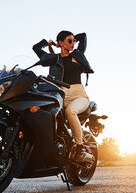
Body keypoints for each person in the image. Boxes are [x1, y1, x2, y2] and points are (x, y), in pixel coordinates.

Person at [33, 31, 94, 163]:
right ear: (61, 43)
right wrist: (48, 43)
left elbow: (83, 36)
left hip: (79, 96)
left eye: (73, 41)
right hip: (59, 95)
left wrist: (70, 40)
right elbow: (35, 48)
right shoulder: (53, 59)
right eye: (69, 41)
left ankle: (80, 148)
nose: (73, 44)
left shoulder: (77, 55)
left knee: (70, 111)